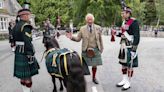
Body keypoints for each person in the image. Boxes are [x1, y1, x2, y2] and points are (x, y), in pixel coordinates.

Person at [66, 13, 104, 84]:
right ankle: (82, 79)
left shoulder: (98, 27)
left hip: (95, 49)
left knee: (94, 65)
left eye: (91, 19)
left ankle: (94, 78)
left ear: (93, 20)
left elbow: (100, 39)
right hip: (85, 50)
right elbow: (78, 39)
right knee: (83, 66)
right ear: (86, 20)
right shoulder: (82, 29)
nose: (90, 21)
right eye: (88, 19)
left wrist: (101, 48)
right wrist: (71, 37)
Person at [12, 8, 39, 92]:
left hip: (18, 51)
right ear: (24, 16)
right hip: (25, 52)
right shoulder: (26, 26)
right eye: (28, 15)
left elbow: (13, 40)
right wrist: (30, 54)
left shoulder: (15, 26)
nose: (29, 17)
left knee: (22, 76)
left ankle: (25, 90)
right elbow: (28, 42)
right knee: (27, 76)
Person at [115, 6, 140, 90]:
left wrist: (134, 49)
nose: (122, 14)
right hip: (123, 46)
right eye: (122, 13)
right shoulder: (124, 22)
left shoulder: (134, 22)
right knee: (123, 64)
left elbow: (137, 36)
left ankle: (128, 82)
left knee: (130, 65)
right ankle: (124, 79)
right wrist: (116, 33)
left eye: (123, 13)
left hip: (130, 46)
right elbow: (123, 34)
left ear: (128, 13)